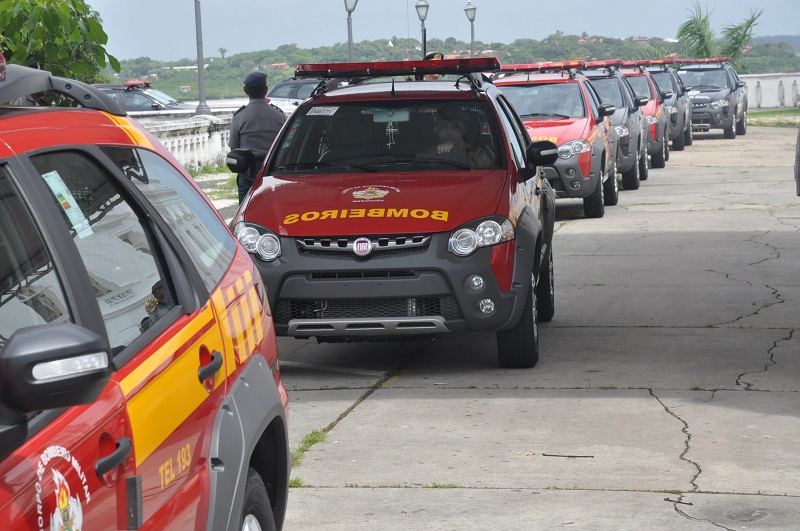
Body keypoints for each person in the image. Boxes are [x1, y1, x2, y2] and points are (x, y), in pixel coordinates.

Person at [228, 71, 286, 203]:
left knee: (246, 208)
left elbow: (234, 148)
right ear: (266, 89)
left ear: (245, 90)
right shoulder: (278, 115)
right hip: (274, 169)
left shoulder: (239, 117)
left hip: (248, 170)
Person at [417, 108, 492, 167]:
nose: (449, 132)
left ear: (464, 129)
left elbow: (483, 177)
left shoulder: (477, 153)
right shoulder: (425, 154)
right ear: (437, 130)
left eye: (456, 127)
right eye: (444, 127)